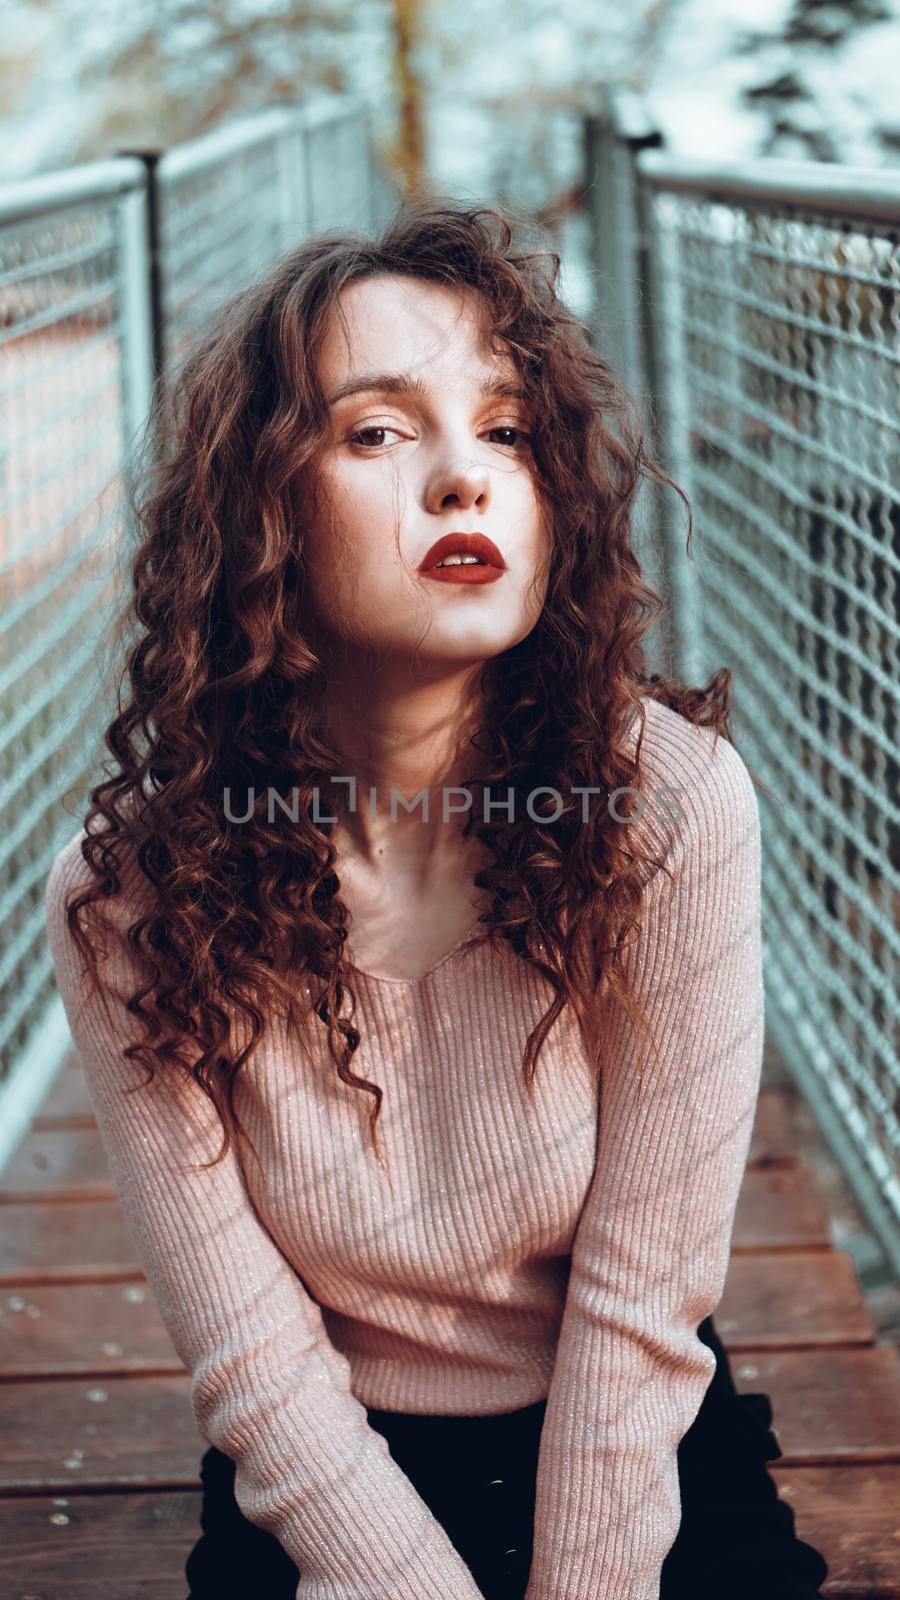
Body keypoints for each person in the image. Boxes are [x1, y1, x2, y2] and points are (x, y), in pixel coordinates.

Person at [44, 200, 829, 1600]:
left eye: (509, 430)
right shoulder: (130, 898)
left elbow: (646, 1305)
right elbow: (250, 1351)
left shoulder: (670, 812)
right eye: (378, 433)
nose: (466, 477)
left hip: (625, 1432)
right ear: (260, 512)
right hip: (330, 1473)